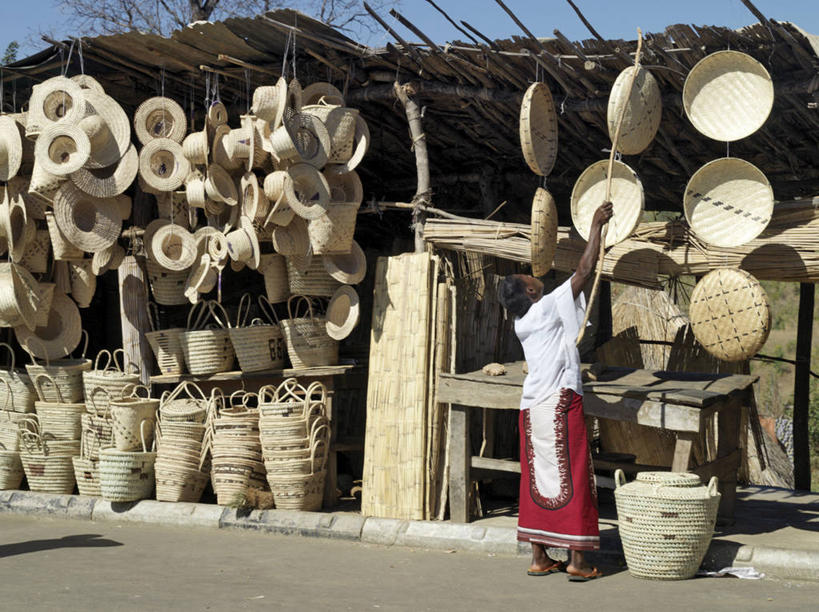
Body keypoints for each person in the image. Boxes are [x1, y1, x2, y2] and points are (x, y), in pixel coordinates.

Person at [498, 201, 613, 582]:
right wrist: (596, 226)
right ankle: (578, 563)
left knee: (538, 479)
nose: (533, 277)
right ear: (529, 292)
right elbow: (584, 270)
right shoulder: (545, 308)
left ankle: (539, 556)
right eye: (527, 278)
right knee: (576, 475)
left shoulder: (522, 323)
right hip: (560, 402)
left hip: (531, 409)